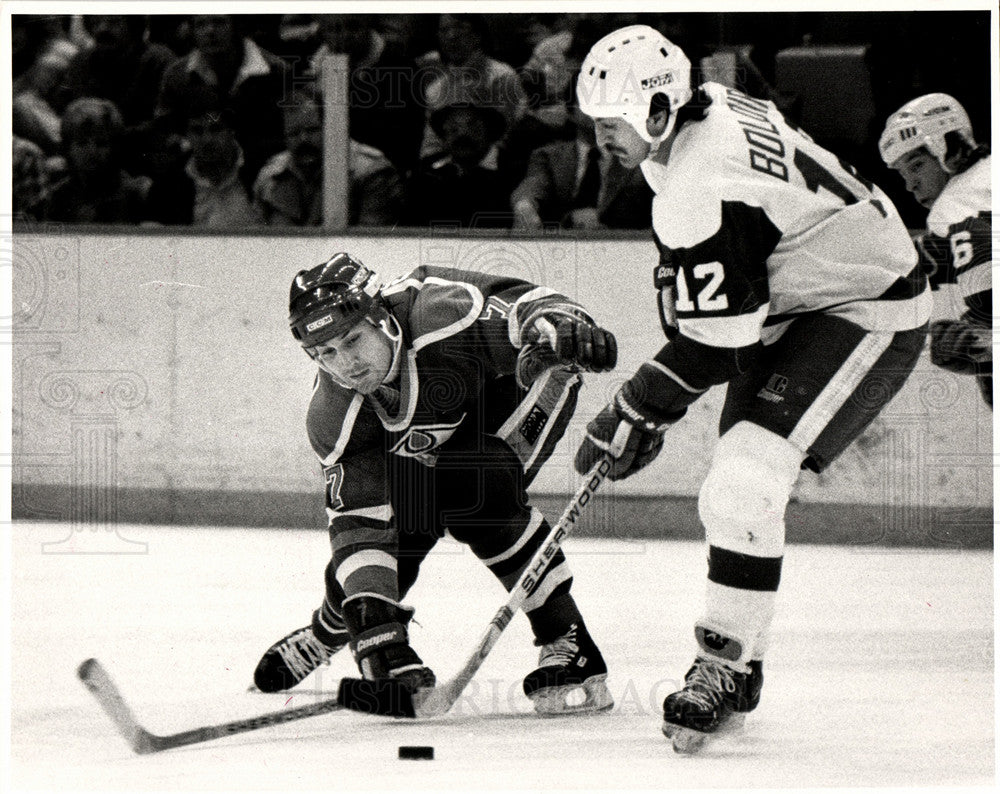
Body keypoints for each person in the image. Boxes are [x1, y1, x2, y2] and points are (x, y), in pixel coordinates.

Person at [572, 25, 931, 752]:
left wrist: (640, 404)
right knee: (737, 488)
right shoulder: (704, 115)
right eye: (597, 122)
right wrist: (655, 397)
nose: (602, 139)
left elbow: (720, 339)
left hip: (865, 305)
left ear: (657, 112)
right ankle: (737, 663)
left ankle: (724, 664)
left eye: (612, 123)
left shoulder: (702, 179)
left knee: (743, 483)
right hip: (801, 300)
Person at [251, 252, 619, 715]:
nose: (345, 364)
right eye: (325, 353)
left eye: (351, 340)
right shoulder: (334, 417)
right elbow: (363, 528)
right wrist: (375, 628)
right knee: (406, 520)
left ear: (381, 320)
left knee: (472, 486)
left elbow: (531, 308)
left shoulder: (443, 315)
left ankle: (569, 641)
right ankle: (331, 629)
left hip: (513, 386)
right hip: (438, 414)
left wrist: (561, 330)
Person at [879, 94, 993, 407]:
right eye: (903, 174)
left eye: (916, 166)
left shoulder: (956, 203)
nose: (910, 185)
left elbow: (989, 305)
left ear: (947, 149)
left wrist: (982, 341)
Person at [253, 88, 403, 227]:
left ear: (331, 127)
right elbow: (256, 242)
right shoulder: (270, 178)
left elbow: (372, 245)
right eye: (293, 133)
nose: (303, 139)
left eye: (312, 130)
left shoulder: (370, 173)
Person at [511, 94, 652, 230]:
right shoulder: (548, 157)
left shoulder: (639, 158)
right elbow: (532, 185)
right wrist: (524, 206)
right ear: (570, 111)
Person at [403, 87, 515, 228]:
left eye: (472, 126)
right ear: (443, 133)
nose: (462, 135)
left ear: (489, 129)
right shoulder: (426, 173)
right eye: (453, 128)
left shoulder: (513, 171)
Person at [45, 98, 151, 224]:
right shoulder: (58, 197)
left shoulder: (134, 193)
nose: (92, 151)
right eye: (82, 143)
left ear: (113, 148)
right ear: (68, 148)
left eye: (101, 144)